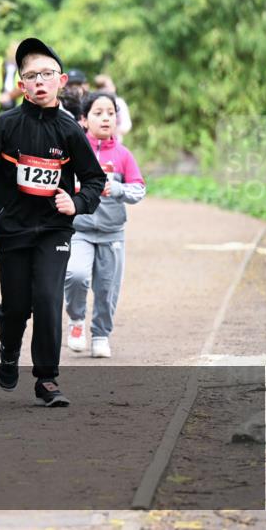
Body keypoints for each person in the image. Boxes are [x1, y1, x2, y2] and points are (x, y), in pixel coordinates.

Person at [0, 38, 106, 407]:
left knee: (48, 298)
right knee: (16, 307)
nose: (39, 81)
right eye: (31, 76)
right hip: (13, 229)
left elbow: (95, 179)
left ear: (62, 80)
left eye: (47, 74)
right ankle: (9, 349)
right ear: (21, 84)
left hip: (54, 229)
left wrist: (77, 202)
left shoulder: (70, 130)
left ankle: (47, 379)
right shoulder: (4, 125)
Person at [64, 92, 146, 358]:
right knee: (76, 275)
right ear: (84, 119)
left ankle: (101, 335)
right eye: (98, 113)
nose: (106, 118)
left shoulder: (123, 155)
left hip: (112, 233)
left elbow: (139, 190)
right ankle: (77, 321)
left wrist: (117, 189)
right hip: (79, 229)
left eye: (111, 113)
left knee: (107, 288)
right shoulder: (74, 151)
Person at [93, 74, 132, 142]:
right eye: (108, 86)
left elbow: (126, 125)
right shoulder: (93, 103)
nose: (112, 88)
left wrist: (113, 131)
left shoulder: (119, 102)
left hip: (114, 141)